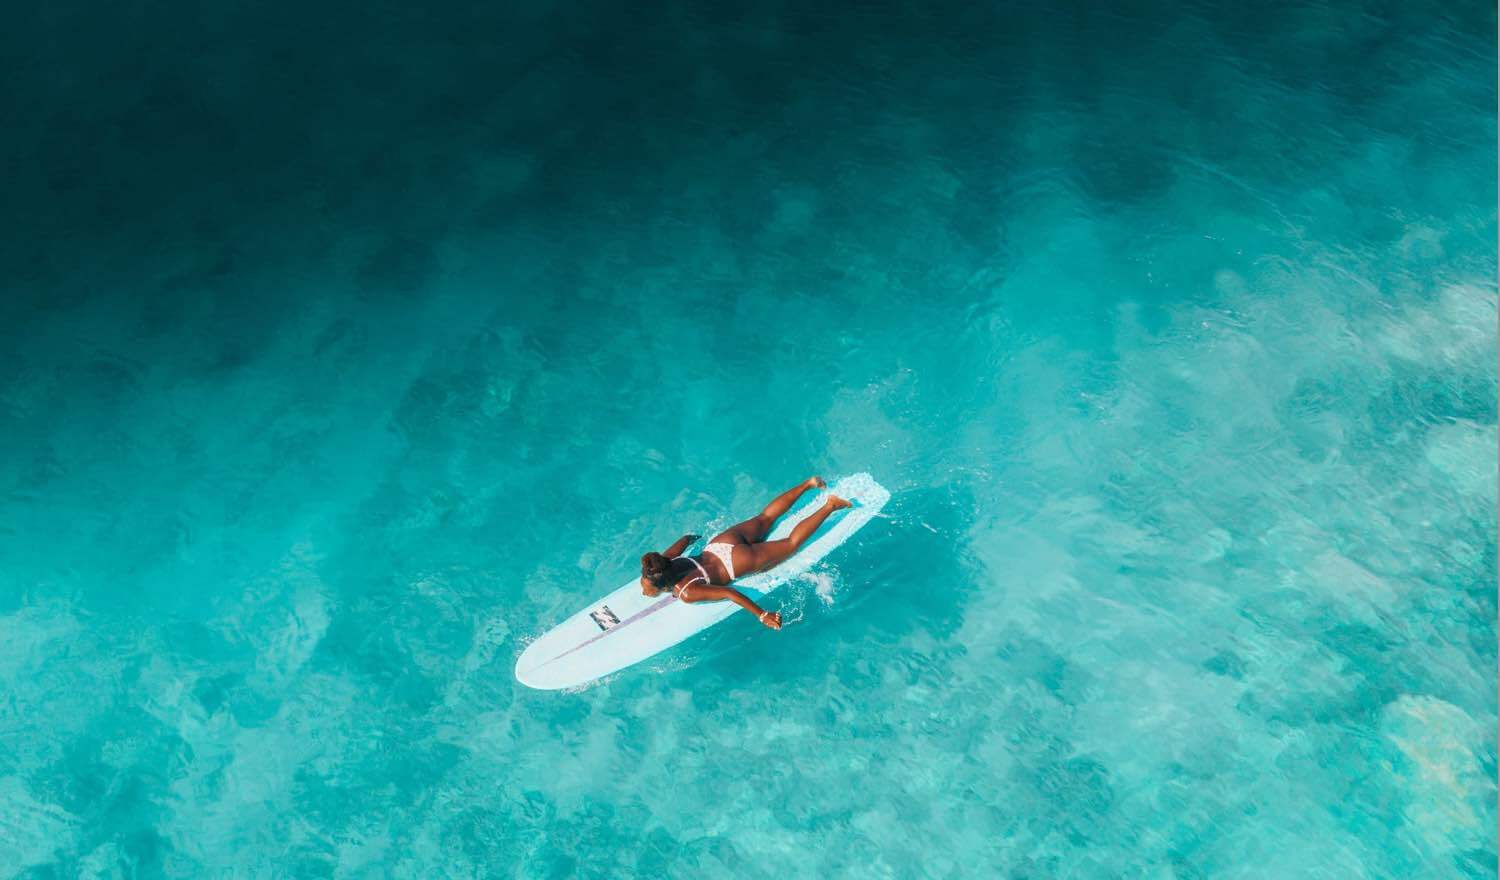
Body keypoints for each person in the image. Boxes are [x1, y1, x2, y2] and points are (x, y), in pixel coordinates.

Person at [639, 476, 852, 630]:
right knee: (765, 518)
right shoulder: (665, 560)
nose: (643, 592)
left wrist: (762, 615)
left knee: (790, 544)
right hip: (720, 544)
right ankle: (809, 484)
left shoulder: (687, 592)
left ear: (665, 587)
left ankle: (830, 506)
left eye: (647, 589)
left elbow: (729, 593)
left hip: (736, 563)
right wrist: (695, 538)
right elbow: (685, 539)